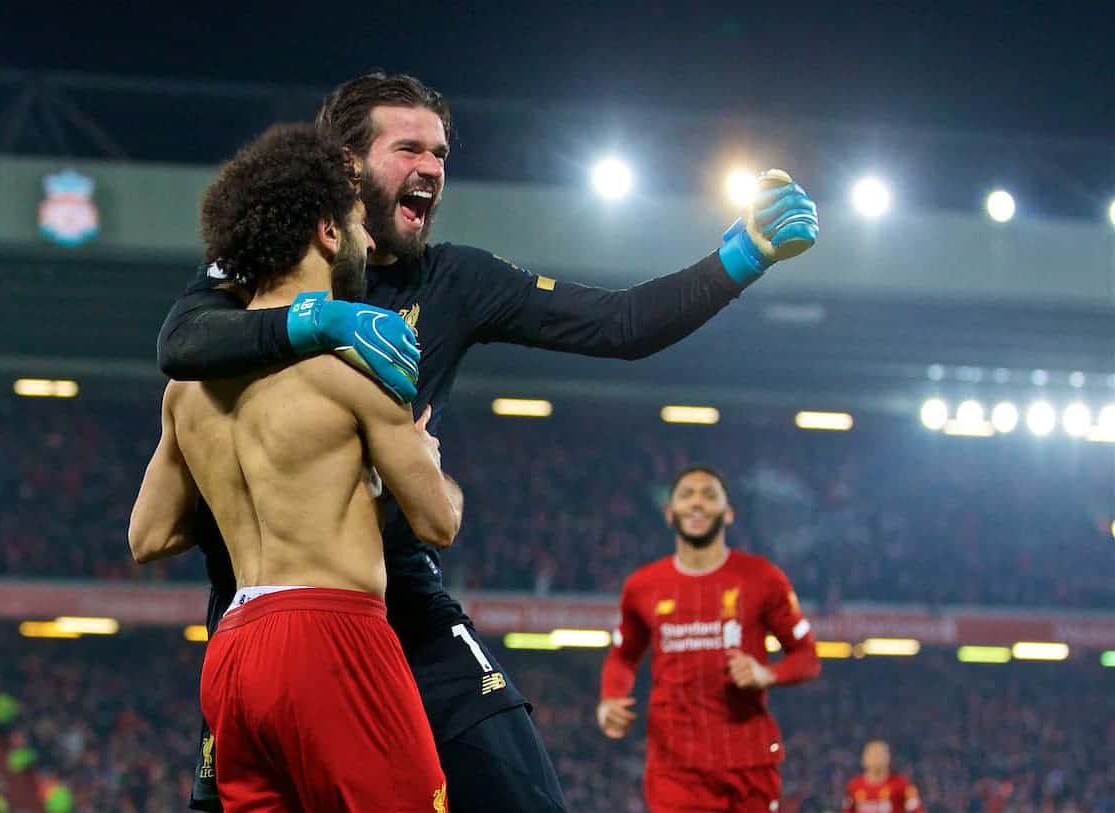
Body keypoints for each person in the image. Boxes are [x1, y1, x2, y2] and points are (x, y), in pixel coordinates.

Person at [156, 72, 820, 812]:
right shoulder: (260, 270)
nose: (432, 168)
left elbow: (618, 323)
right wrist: (319, 320)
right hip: (279, 613)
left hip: (401, 601)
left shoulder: (454, 280)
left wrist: (739, 258)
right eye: (408, 147)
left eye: (440, 152)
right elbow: (181, 340)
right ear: (346, 163)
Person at [129, 123, 460, 812]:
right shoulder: (352, 367)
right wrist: (422, 457)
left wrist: (259, 483)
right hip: (333, 635)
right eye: (359, 223)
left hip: (234, 653)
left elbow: (149, 535)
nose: (371, 242)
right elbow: (437, 520)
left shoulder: (185, 393)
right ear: (327, 233)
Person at [597, 466, 821, 813]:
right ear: (670, 513)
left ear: (728, 513)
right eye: (687, 494)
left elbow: (807, 656)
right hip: (674, 769)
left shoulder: (762, 578)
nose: (697, 502)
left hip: (748, 764)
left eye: (709, 494)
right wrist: (611, 698)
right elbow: (623, 656)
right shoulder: (643, 586)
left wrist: (767, 674)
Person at [843, 741, 924, 813]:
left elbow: (916, 810)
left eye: (881, 755)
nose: (877, 759)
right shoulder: (854, 786)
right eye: (873, 755)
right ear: (864, 758)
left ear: (888, 758)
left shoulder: (902, 785)